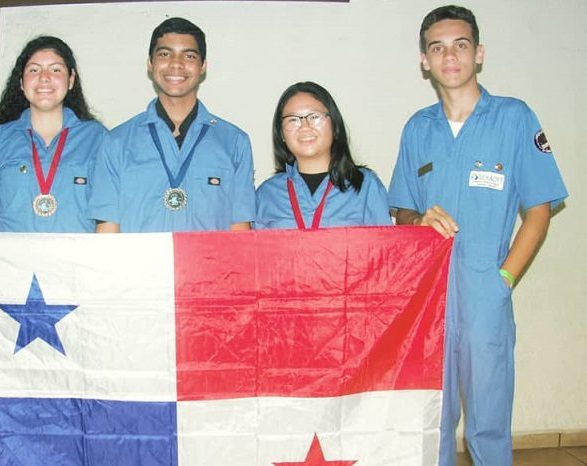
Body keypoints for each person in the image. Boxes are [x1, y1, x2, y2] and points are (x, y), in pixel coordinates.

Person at [387, 5, 567, 466]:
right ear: (424, 60)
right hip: (429, 300)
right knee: (433, 419)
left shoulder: (514, 118)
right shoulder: (417, 128)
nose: (450, 56)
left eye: (460, 45)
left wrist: (504, 279)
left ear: (479, 53)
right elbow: (402, 209)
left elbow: (540, 210)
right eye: (438, 47)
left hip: (486, 293)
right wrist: (415, 222)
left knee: (488, 422)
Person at [88, 17, 256, 232]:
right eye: (165, 54)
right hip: (138, 266)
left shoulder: (234, 142)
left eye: (188, 55)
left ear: (203, 66)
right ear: (150, 63)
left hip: (209, 266)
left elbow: (240, 231)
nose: (176, 64)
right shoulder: (116, 142)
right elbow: (107, 232)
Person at [0, 36, 106, 232]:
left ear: (71, 80)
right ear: (21, 82)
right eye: (34, 70)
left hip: (75, 260)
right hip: (12, 260)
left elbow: (108, 213)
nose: (44, 77)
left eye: (55, 69)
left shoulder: (98, 138)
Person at [255, 82, 391, 229]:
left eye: (314, 117)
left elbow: (384, 249)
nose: (305, 127)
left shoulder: (366, 186)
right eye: (293, 119)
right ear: (281, 133)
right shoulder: (267, 194)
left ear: (334, 124)